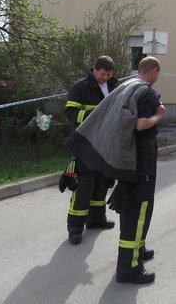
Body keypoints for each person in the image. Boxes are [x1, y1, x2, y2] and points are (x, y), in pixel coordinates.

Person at [66, 56, 165, 284]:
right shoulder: (145, 92)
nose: (105, 77)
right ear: (155, 71)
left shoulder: (125, 86)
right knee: (138, 213)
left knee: (133, 211)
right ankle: (129, 268)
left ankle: (136, 252)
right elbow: (140, 124)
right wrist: (160, 114)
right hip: (140, 163)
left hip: (125, 159)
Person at [61, 55, 118, 245]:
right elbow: (71, 113)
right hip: (86, 143)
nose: (105, 79)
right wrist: (96, 116)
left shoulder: (113, 85)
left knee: (101, 183)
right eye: (102, 74)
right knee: (84, 186)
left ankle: (96, 220)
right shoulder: (80, 87)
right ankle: (75, 228)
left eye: (108, 75)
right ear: (94, 69)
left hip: (105, 143)